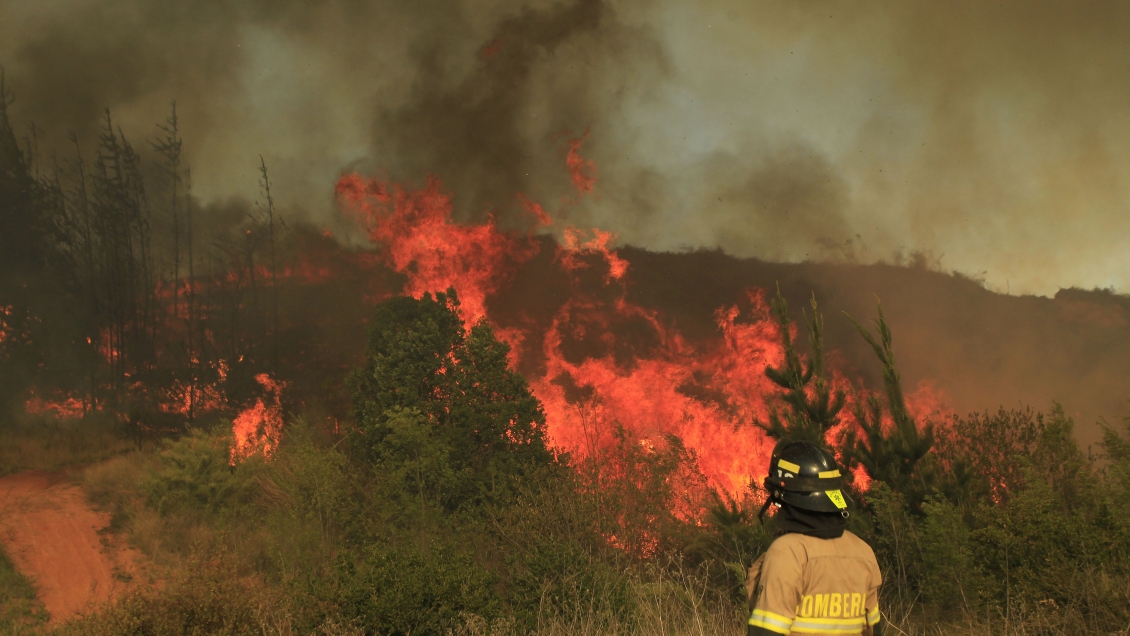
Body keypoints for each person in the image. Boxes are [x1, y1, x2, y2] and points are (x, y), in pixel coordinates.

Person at [745, 440, 883, 636]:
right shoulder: (862, 551)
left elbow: (766, 632)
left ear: (782, 492)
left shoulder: (788, 552)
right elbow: (874, 630)